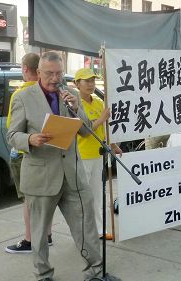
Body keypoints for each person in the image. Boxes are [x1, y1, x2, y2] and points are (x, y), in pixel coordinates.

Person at [7, 52, 118, 281]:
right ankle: (43, 275)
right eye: (49, 73)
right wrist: (29, 139)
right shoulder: (23, 97)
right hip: (41, 174)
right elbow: (12, 134)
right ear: (38, 73)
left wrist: (77, 108)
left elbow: (86, 131)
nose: (55, 78)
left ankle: (96, 272)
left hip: (72, 174)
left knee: (86, 226)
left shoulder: (71, 95)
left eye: (58, 73)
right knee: (38, 233)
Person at [5, 53, 54, 254]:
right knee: (48, 197)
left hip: (26, 153)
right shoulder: (49, 92)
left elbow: (12, 128)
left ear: (26, 68)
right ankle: (47, 235)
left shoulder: (21, 94)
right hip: (52, 153)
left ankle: (30, 239)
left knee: (29, 199)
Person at [74, 67, 122, 240]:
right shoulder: (75, 104)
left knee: (97, 195)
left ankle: (100, 230)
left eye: (93, 80)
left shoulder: (98, 102)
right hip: (82, 156)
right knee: (83, 197)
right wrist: (101, 118)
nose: (91, 84)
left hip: (98, 155)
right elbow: (84, 130)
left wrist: (113, 145)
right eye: (87, 81)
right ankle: (83, 233)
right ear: (77, 84)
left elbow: (105, 128)